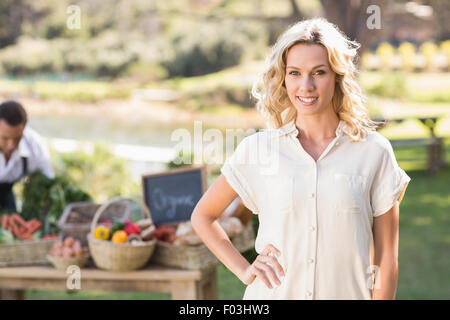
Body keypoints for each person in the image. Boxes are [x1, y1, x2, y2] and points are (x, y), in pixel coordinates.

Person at [191, 18, 411, 300]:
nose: (306, 85)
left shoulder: (374, 152)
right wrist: (244, 270)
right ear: (283, 77)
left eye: (318, 72)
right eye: (294, 73)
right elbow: (203, 216)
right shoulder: (258, 150)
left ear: (337, 76)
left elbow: (386, 260)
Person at [0, 100, 54, 212]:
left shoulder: (35, 146)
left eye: (16, 138)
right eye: (5, 138)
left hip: (7, 191)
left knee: (13, 218)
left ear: (24, 129)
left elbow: (48, 179)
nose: (11, 146)